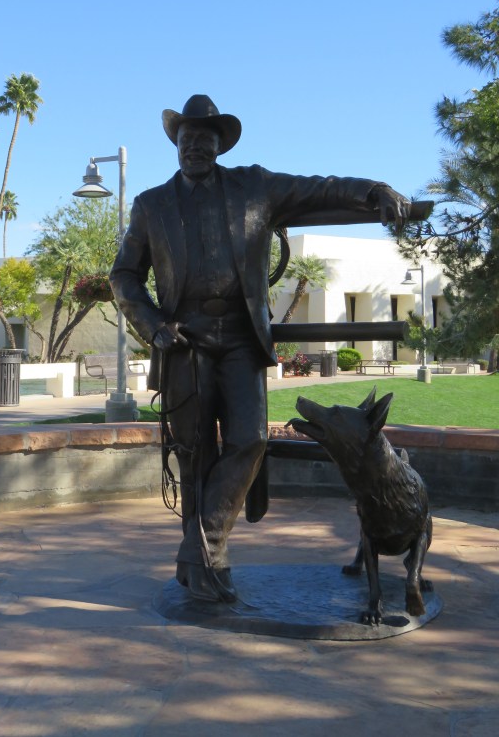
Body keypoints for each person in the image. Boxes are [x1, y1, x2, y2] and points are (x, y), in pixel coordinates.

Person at [109, 94, 411, 604]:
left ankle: (200, 548)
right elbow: (124, 275)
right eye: (187, 138)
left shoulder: (254, 186)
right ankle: (209, 564)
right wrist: (154, 325)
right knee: (194, 454)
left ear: (219, 145)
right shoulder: (151, 205)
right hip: (184, 338)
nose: (194, 147)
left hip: (242, 337)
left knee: (249, 439)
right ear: (176, 144)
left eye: (204, 139)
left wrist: (374, 190)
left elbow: (319, 188)